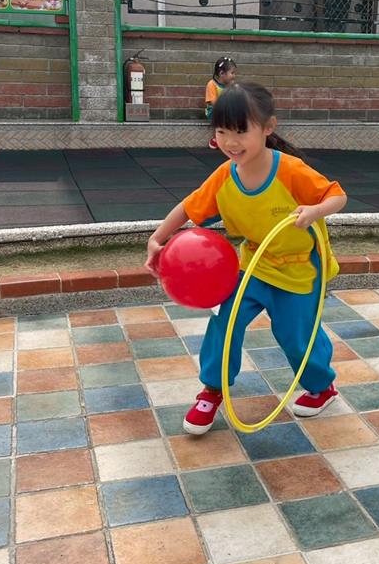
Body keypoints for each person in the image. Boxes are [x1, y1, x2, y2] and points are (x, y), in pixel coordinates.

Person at [146, 82, 347, 436]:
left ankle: (321, 387)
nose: (230, 142)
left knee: (295, 334)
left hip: (299, 268)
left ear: (268, 128)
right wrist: (158, 238)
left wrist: (315, 211)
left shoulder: (290, 171)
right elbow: (190, 206)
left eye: (240, 131)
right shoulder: (225, 176)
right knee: (225, 323)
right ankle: (212, 390)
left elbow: (337, 195)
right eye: (222, 132)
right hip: (253, 265)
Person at [204, 55, 237, 149]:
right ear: (222, 73)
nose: (234, 76)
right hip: (213, 110)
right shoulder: (212, 84)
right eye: (232, 73)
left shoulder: (229, 85)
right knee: (223, 117)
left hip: (227, 109)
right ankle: (216, 139)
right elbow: (212, 102)